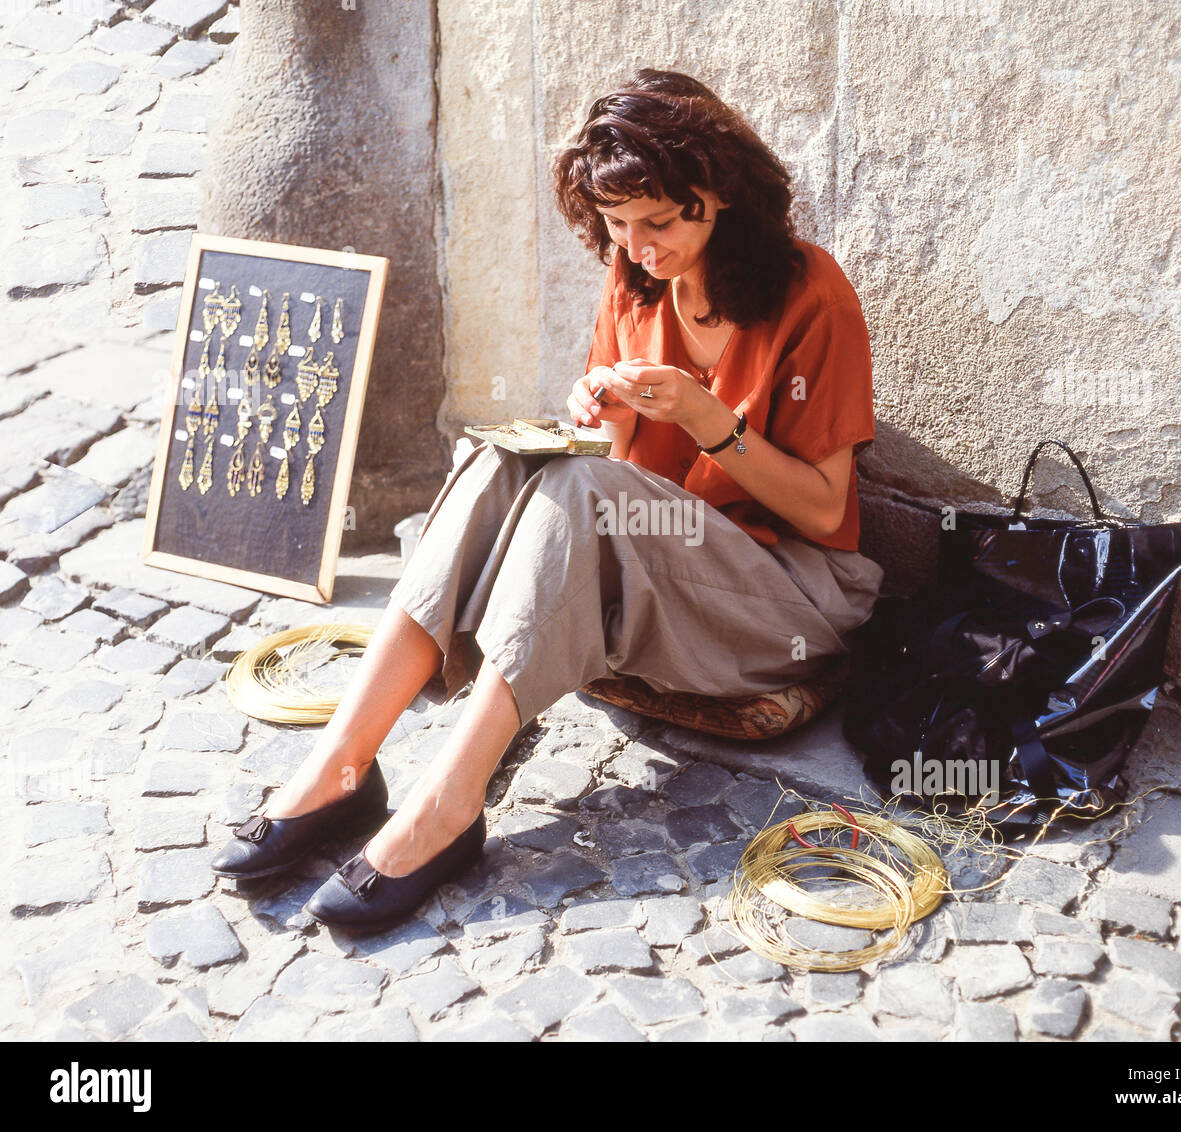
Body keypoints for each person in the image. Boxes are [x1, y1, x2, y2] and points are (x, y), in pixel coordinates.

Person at [211, 67, 884, 933]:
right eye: (615, 226)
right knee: (508, 458)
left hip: (786, 599)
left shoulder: (811, 294)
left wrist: (710, 420)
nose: (636, 246)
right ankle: (343, 767)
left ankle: (448, 805)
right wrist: (606, 414)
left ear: (718, 193)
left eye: (657, 222)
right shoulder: (637, 280)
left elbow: (827, 516)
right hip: (673, 567)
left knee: (577, 482)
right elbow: (622, 482)